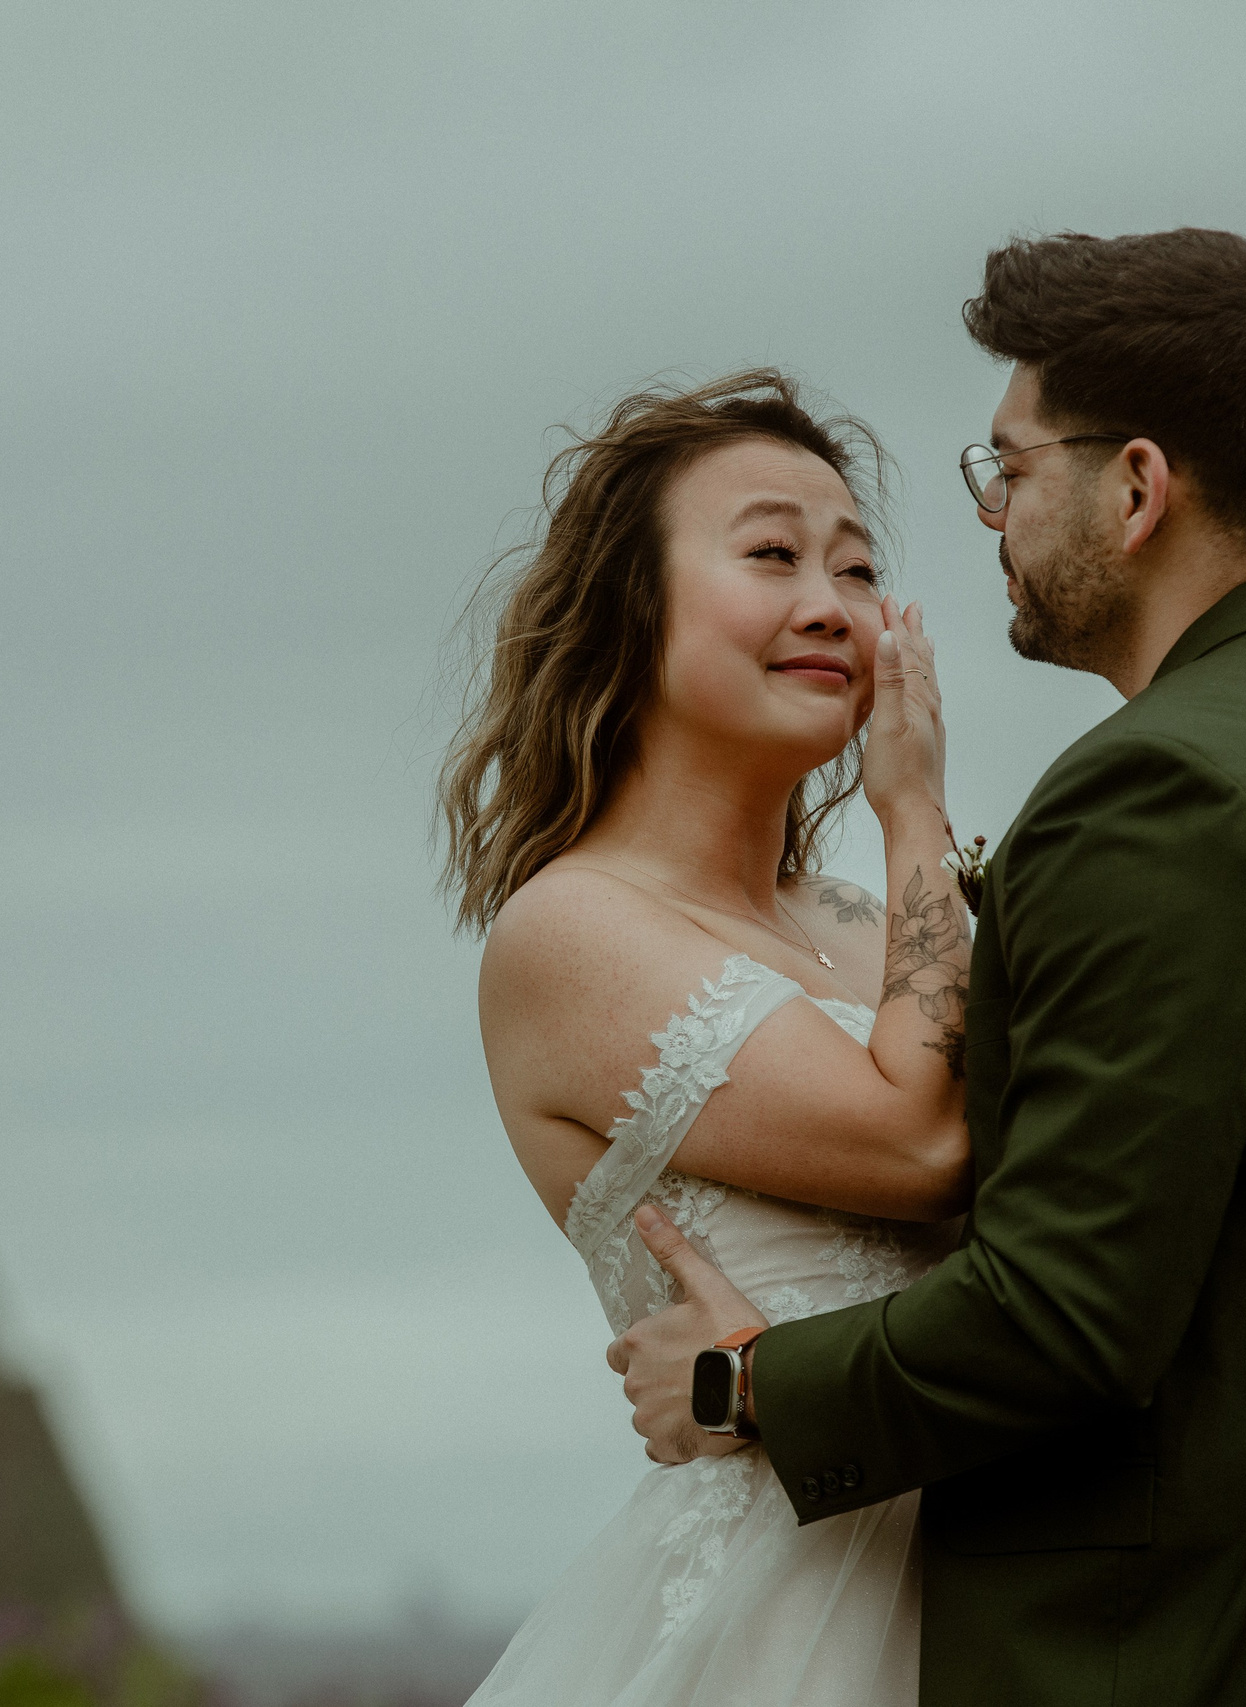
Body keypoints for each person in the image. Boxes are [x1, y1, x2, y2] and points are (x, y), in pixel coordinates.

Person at [615, 229, 1246, 1705]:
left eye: (1011, 466)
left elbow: (1068, 1315)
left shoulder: (1164, 790)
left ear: (1135, 489)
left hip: (1201, 1641)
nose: (992, 514)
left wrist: (743, 1385)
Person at [438, 369, 979, 1704]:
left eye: (858, 570)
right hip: (786, 1622)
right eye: (773, 554)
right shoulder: (569, 934)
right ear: (637, 607)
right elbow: (918, 1142)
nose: (829, 606)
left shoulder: (872, 922)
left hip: (1004, 1587)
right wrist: (917, 811)